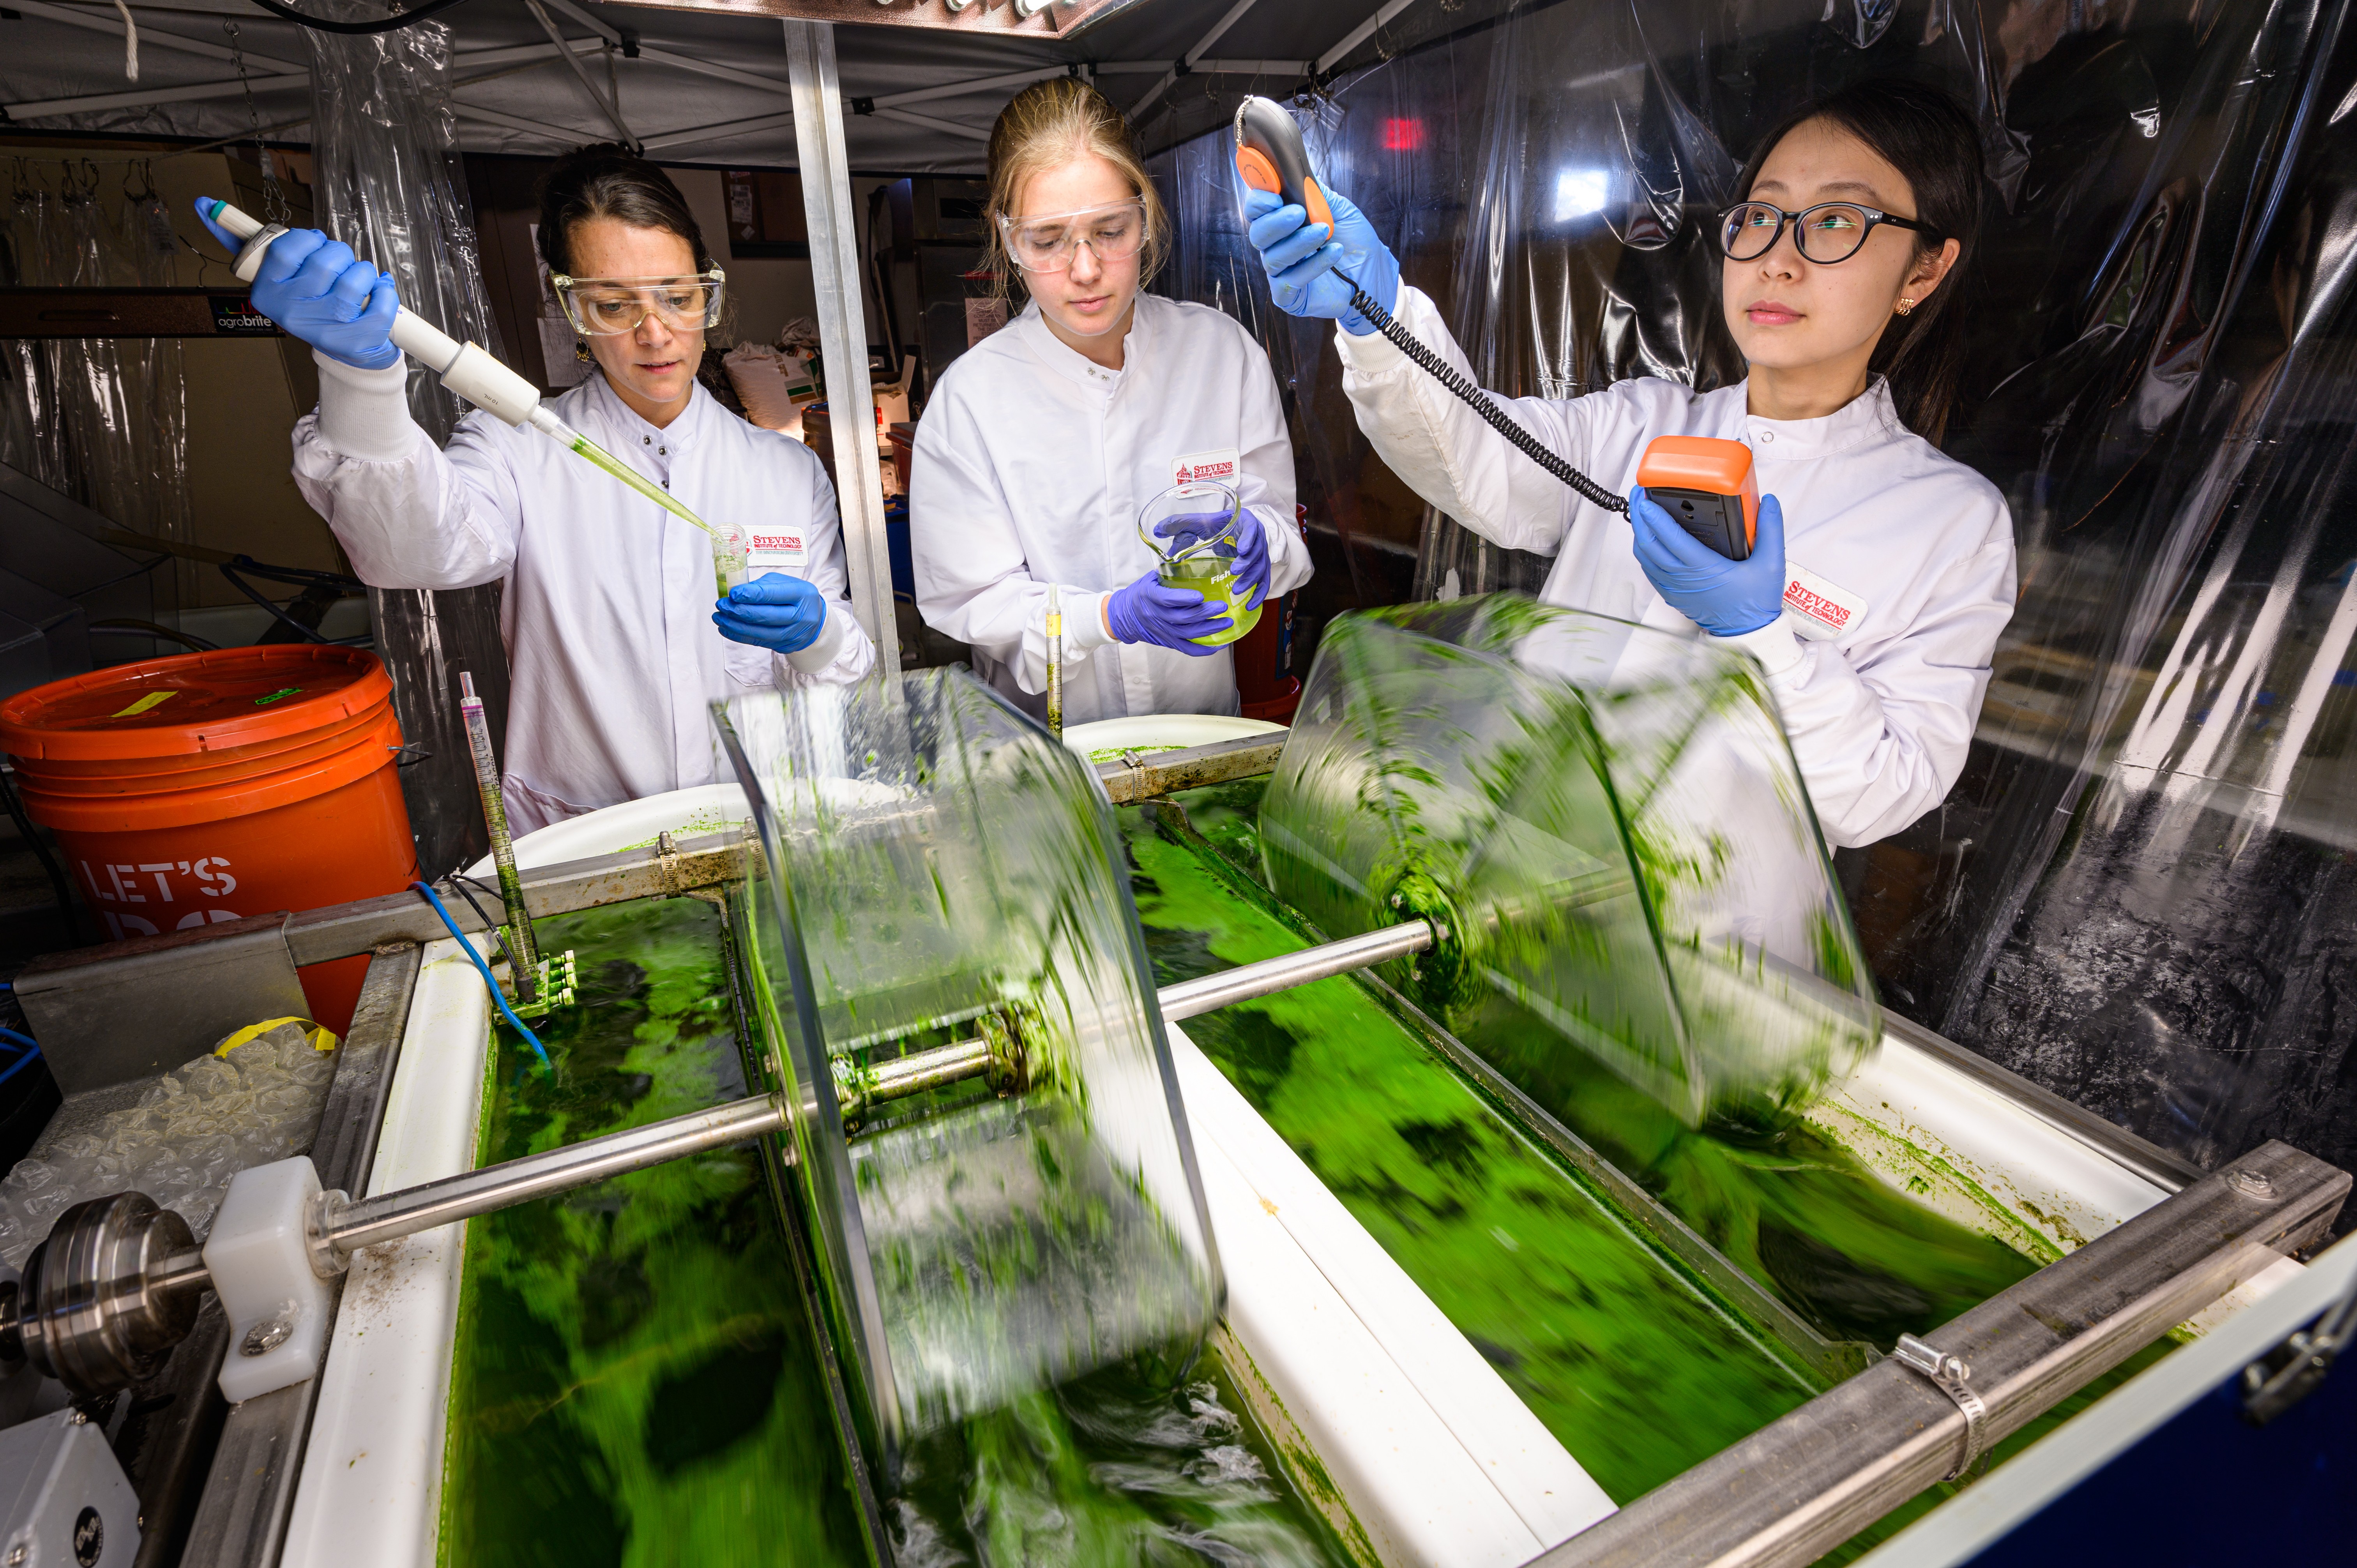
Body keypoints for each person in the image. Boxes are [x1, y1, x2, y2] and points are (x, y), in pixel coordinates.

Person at [1243, 80, 2015, 850]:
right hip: (1515, 874)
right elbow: (1471, 458)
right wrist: (1376, 317)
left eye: (1836, 220)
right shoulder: (1642, 424)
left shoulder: (1950, 521)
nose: (1779, 259)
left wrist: (1762, 635)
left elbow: (1877, 797)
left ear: (1924, 271)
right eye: (1763, 216)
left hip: (1707, 946)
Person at [204, 145, 874, 834]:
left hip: (756, 824)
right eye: (613, 304)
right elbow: (413, 551)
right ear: (572, 308)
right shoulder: (515, 449)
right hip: (588, 840)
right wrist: (359, 377)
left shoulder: (785, 472)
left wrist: (817, 638)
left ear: (708, 293)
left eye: (677, 297)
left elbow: (836, 689)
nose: (655, 333)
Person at [912, 79, 1313, 725]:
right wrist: (1107, 617)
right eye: (1047, 240)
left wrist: (1260, 547)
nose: (1086, 269)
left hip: (1204, 741)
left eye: (1109, 230)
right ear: (1008, 240)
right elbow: (971, 603)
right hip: (1049, 763)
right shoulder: (971, 402)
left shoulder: (1222, 355)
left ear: (1145, 213)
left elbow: (1281, 532)